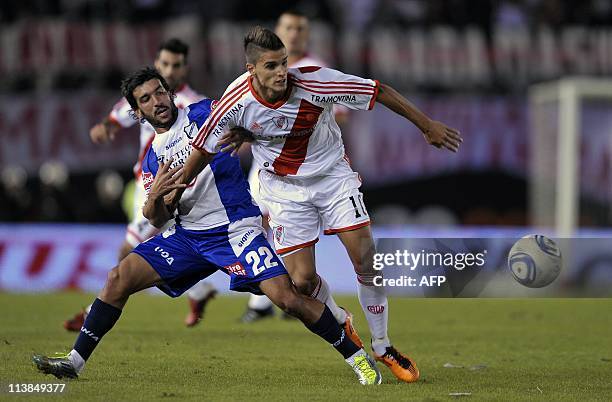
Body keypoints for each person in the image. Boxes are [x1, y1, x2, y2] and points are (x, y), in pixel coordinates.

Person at [32, 67, 382, 385]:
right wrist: (154, 201)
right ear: (137, 114)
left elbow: (249, 113)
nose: (157, 102)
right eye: (146, 100)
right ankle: (74, 362)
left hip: (236, 231)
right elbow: (158, 218)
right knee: (117, 278)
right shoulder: (153, 156)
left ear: (170, 94)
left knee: (288, 298)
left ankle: (358, 357)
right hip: (187, 237)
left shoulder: (205, 112)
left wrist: (246, 133)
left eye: (159, 93)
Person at [183, 26, 462, 383]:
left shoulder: (316, 82)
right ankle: (341, 320)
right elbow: (203, 146)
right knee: (301, 282)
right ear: (251, 69)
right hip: (283, 190)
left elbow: (378, 91)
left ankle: (382, 345)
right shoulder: (235, 99)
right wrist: (176, 187)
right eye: (271, 66)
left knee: (366, 259)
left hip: (332, 177)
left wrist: (426, 126)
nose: (282, 72)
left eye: (283, 63)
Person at [64, 39, 215, 331]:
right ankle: (199, 291)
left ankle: (93, 310)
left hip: (173, 188)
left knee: (128, 251)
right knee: (154, 250)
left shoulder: (191, 103)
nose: (169, 70)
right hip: (145, 183)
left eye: (176, 65)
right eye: (165, 64)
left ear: (186, 68)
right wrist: (105, 128)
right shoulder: (144, 93)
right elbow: (118, 116)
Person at [242, 9, 348, 323]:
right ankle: (262, 300)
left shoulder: (316, 70)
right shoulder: (264, 68)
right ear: (277, 31)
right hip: (264, 168)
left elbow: (338, 112)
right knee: (256, 227)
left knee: (293, 229)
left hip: (302, 170)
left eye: (300, 29)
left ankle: (287, 295)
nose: (294, 33)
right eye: (289, 27)